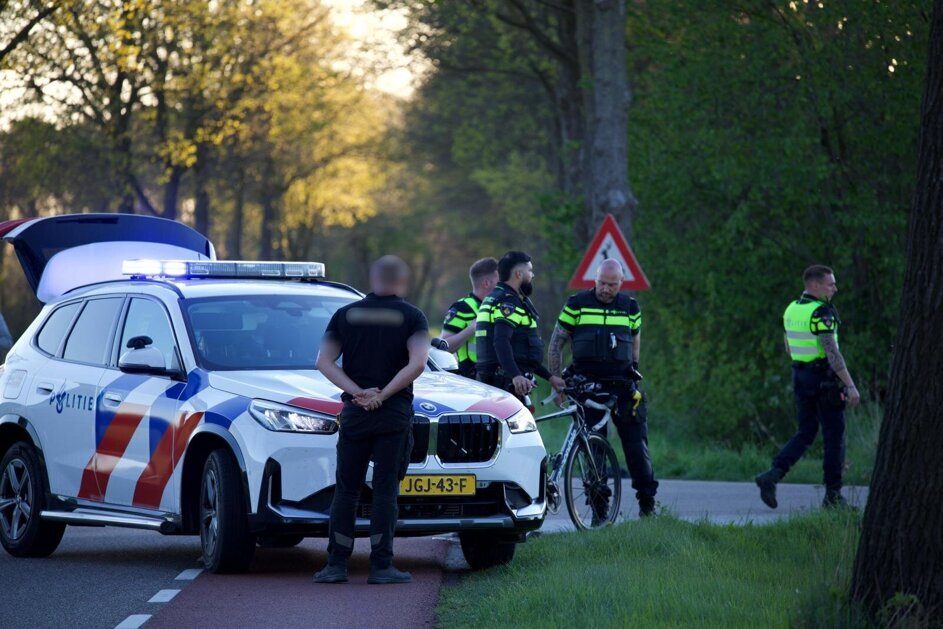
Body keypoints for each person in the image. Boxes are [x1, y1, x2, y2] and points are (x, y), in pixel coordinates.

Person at [313, 255, 429, 585]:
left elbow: (324, 361)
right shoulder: (412, 317)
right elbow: (418, 363)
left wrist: (358, 393)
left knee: (346, 491)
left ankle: (336, 564)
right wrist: (384, 394)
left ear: (374, 278)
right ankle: (381, 566)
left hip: (355, 414)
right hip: (392, 415)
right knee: (384, 492)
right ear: (401, 281)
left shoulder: (346, 314)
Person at [547, 259, 659, 517]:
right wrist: (557, 381)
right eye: (601, 283)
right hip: (587, 386)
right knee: (594, 452)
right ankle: (599, 509)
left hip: (623, 387)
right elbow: (556, 344)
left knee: (636, 447)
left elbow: (634, 343)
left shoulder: (630, 307)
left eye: (611, 285)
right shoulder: (576, 304)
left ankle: (647, 504)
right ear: (594, 280)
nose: (605, 289)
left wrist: (634, 373)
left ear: (621, 283)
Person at [756, 265, 861, 510]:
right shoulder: (821, 313)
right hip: (823, 380)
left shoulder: (792, 309)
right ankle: (833, 496)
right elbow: (832, 352)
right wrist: (850, 385)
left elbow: (788, 347)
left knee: (806, 431)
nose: (835, 288)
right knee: (834, 437)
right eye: (830, 284)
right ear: (814, 285)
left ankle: (772, 475)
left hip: (800, 377)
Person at [475, 251, 565, 400]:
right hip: (506, 384)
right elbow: (501, 341)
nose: (532, 275)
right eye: (529, 270)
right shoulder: (509, 302)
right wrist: (516, 375)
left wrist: (549, 377)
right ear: (518, 274)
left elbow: (521, 351)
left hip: (498, 380)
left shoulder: (495, 297)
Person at [440, 257, 499, 378]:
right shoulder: (462, 307)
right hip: (473, 380)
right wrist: (471, 329)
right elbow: (444, 347)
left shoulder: (500, 307)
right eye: (499, 281)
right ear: (486, 283)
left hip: (501, 379)